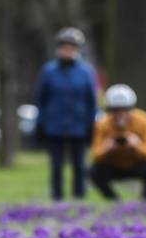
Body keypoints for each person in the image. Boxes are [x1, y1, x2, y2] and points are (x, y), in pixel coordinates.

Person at [33, 27, 98, 201]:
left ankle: (79, 196)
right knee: (56, 165)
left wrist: (92, 124)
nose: (67, 51)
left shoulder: (86, 72)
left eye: (71, 48)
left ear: (77, 50)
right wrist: (40, 123)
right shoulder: (49, 71)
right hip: (55, 125)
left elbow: (92, 100)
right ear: (59, 49)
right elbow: (41, 99)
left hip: (79, 125)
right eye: (64, 47)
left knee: (79, 164)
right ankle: (57, 197)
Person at [89, 84, 146, 201]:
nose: (120, 114)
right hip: (113, 165)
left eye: (125, 109)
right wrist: (107, 149)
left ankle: (145, 200)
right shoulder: (102, 124)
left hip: (136, 164)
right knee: (93, 171)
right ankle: (114, 200)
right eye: (116, 110)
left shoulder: (144, 121)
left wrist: (137, 146)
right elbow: (95, 155)